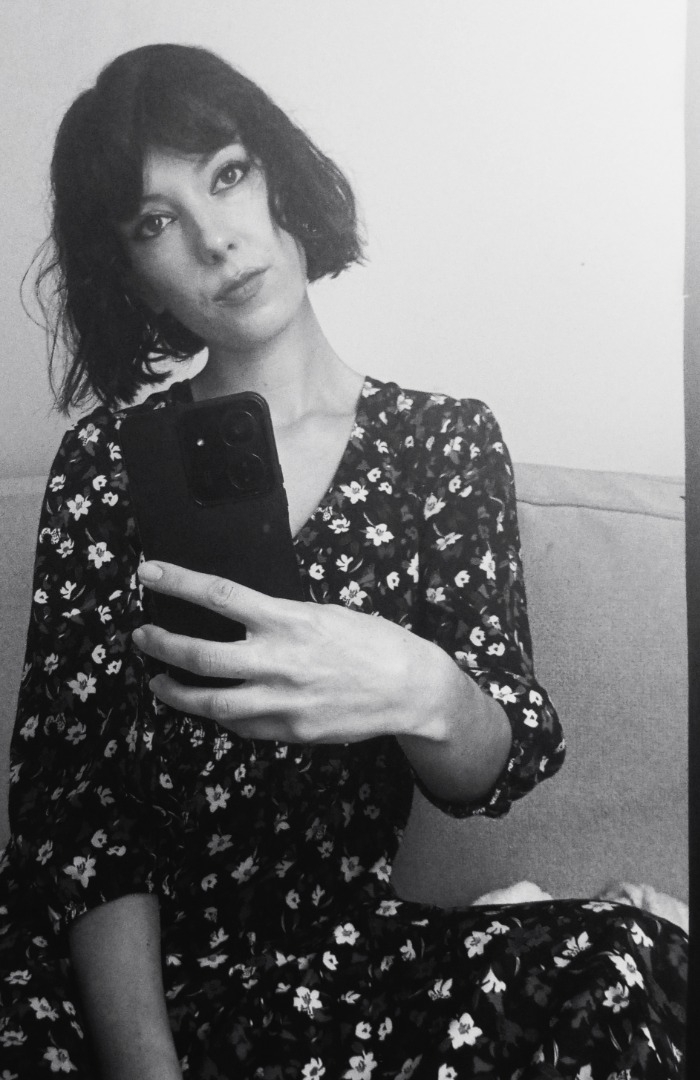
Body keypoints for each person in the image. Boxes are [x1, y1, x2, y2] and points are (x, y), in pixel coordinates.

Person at [0, 43, 686, 1080]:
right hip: (98, 990)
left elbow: (492, 768)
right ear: (131, 272)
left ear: (278, 174)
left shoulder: (442, 444)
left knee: (621, 966)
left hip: (328, 969)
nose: (217, 239)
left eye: (227, 175)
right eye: (155, 223)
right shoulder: (107, 465)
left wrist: (421, 688)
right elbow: (75, 813)